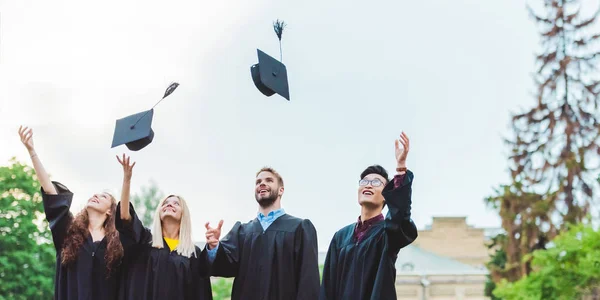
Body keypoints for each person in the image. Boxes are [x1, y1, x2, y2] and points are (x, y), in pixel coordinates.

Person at [18, 125, 124, 299]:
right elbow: (51, 192)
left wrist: (126, 179)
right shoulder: (69, 232)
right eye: (95, 194)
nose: (96, 195)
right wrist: (32, 151)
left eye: (104, 197)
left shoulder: (116, 244)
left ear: (110, 212)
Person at [319, 132, 418, 300]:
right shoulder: (340, 237)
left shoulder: (387, 233)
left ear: (387, 195)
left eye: (376, 182)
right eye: (364, 181)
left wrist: (401, 167)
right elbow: (327, 287)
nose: (369, 185)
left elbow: (400, 217)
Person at [204, 167, 320, 300]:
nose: (262, 184)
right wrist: (214, 247)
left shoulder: (300, 228)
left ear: (281, 190)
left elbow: (308, 279)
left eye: (269, 180)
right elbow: (225, 266)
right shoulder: (242, 231)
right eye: (258, 182)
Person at [115, 154, 212, 300]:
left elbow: (200, 294)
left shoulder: (193, 253)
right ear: (159, 212)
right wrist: (127, 179)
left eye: (176, 203)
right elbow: (124, 217)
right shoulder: (145, 241)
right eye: (165, 203)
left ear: (183, 214)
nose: (169, 204)